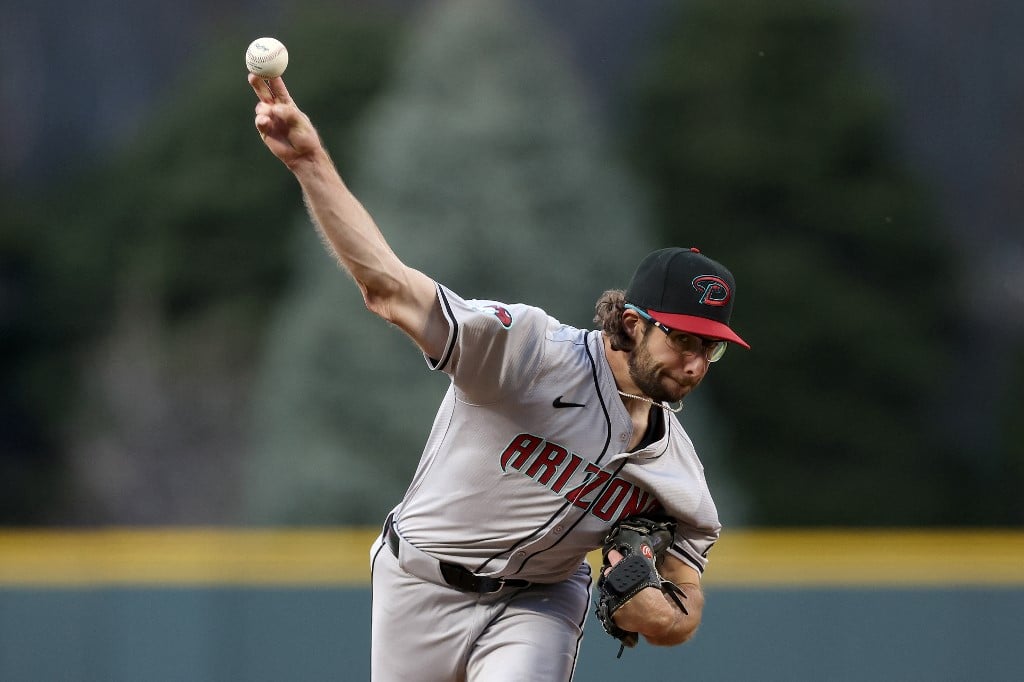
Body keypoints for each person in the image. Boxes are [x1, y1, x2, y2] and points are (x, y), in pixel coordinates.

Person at [249, 73, 749, 681]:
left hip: (537, 602)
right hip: (417, 585)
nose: (695, 362)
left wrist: (650, 604)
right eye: (683, 339)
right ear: (631, 322)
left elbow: (684, 612)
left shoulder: (678, 473)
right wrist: (309, 163)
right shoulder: (529, 352)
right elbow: (389, 288)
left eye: (711, 350)